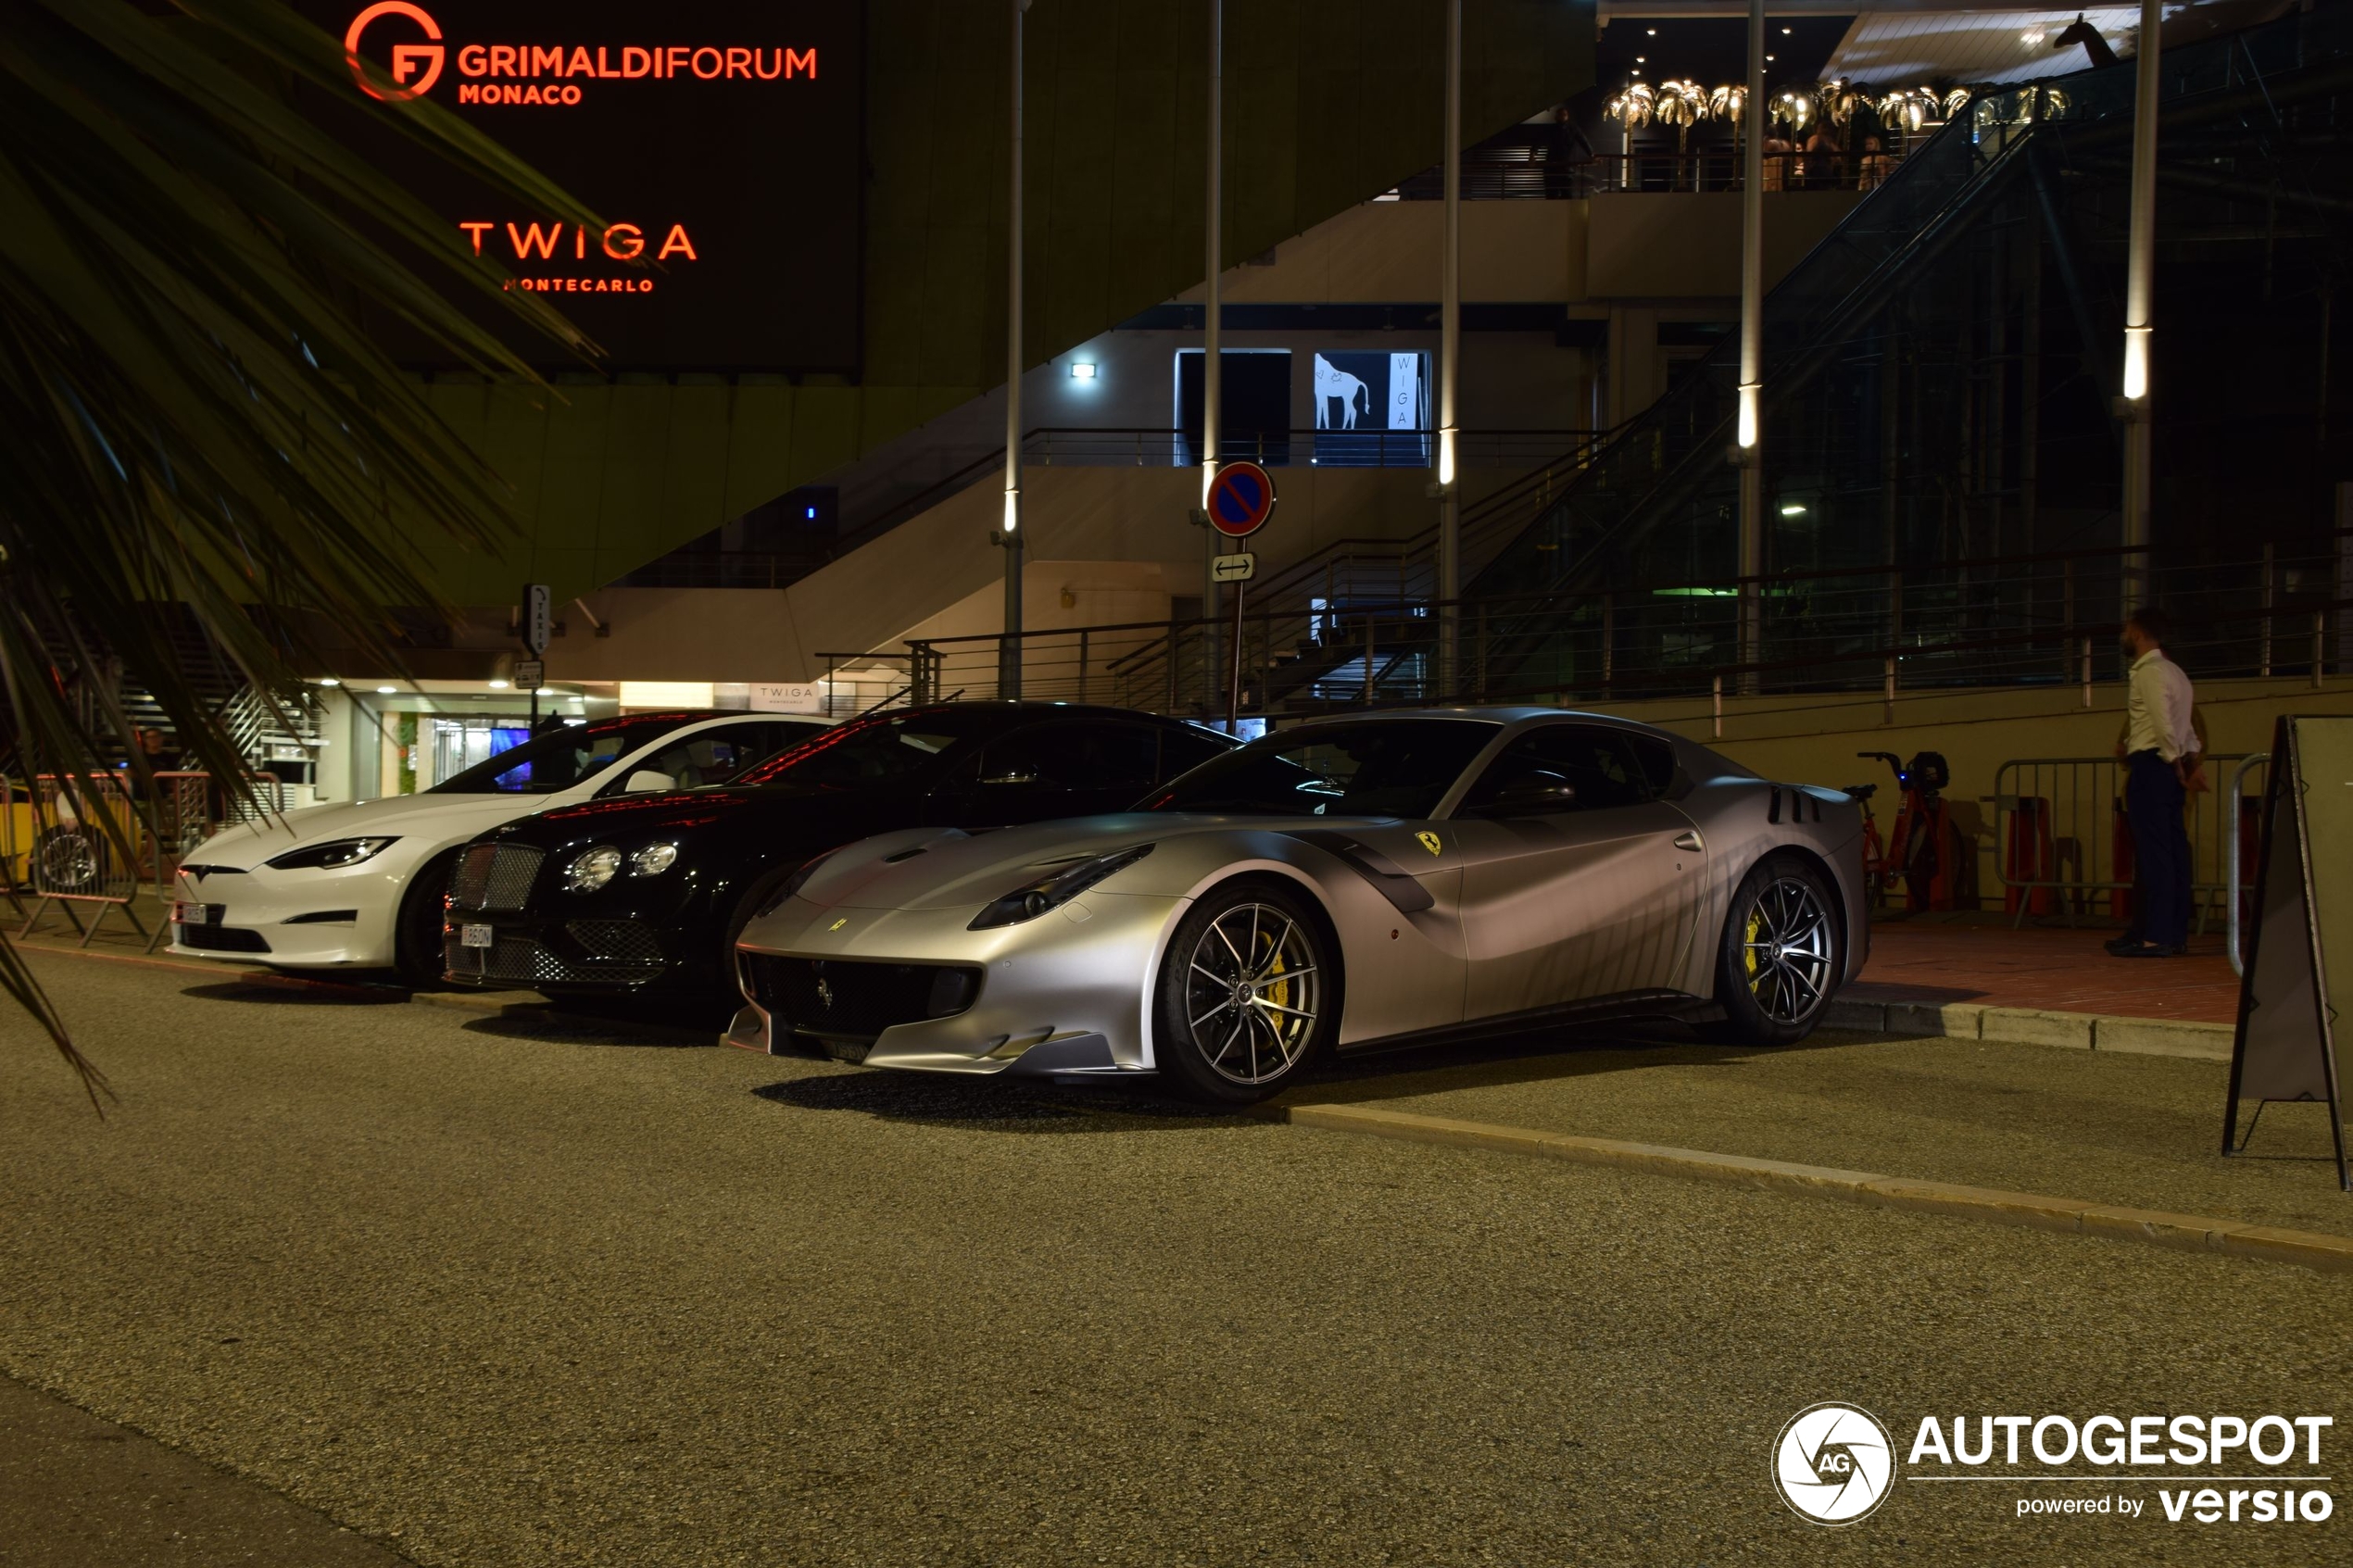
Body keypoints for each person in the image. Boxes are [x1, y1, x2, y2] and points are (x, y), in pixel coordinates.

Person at [2109, 607, 2200, 958]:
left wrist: (2173, 758)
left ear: (2136, 633)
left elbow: (2163, 723)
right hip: (2169, 767)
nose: (2123, 637)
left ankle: (2155, 935)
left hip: (2152, 764)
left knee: (2153, 854)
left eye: (2126, 630)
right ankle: (2171, 933)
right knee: (2174, 851)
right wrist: (2188, 759)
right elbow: (2185, 725)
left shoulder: (2147, 673)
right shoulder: (2176, 671)